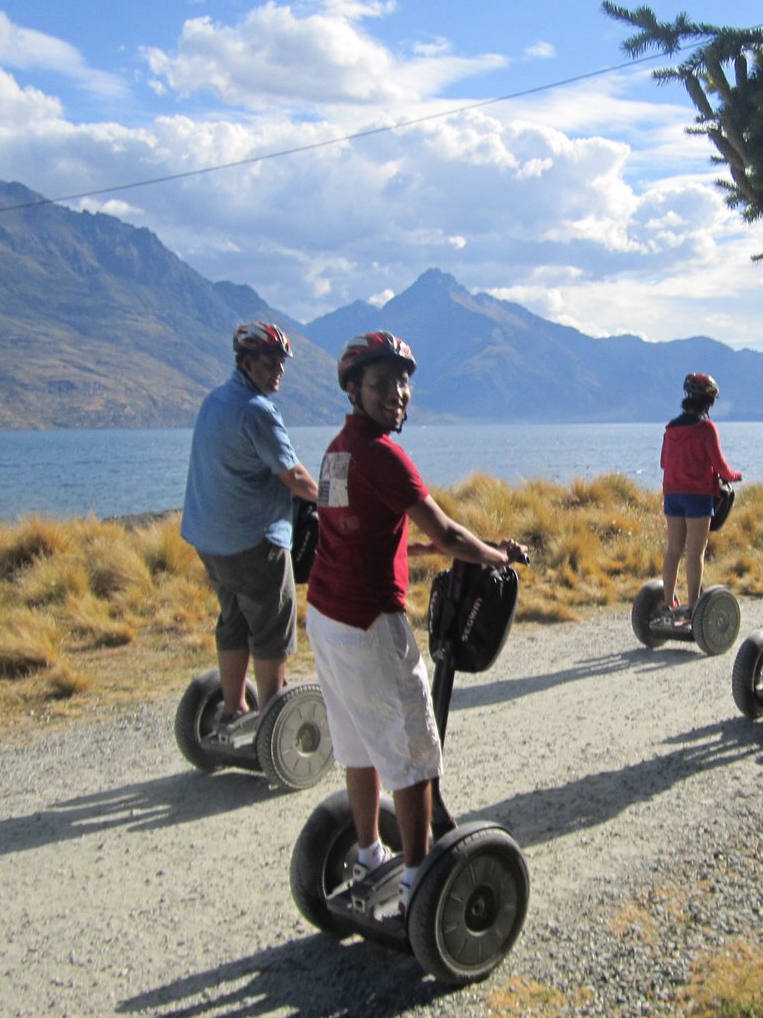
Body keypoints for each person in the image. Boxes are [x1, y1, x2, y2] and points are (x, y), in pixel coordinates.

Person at [305, 331, 527, 912]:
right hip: (367, 621)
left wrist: (468, 549)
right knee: (414, 750)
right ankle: (416, 880)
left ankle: (370, 854)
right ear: (353, 389)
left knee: (356, 742)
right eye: (381, 383)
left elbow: (370, 534)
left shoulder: (336, 451)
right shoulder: (383, 455)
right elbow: (445, 531)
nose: (397, 393)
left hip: (326, 618)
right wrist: (497, 556)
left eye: (403, 382)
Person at [181, 322, 319, 724]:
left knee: (233, 619)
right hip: (254, 539)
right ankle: (271, 719)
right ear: (245, 362)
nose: (278, 370)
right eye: (269, 362)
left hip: (208, 537)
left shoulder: (215, 401)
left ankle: (233, 706)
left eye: (281, 363)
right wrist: (335, 500)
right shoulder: (257, 410)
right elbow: (292, 476)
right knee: (273, 626)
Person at [657, 372, 741, 624]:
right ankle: (693, 607)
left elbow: (663, 462)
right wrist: (734, 475)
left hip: (672, 495)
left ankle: (667, 601)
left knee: (673, 550)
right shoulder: (706, 428)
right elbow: (720, 465)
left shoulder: (671, 429)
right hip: (698, 497)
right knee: (695, 553)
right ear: (708, 402)